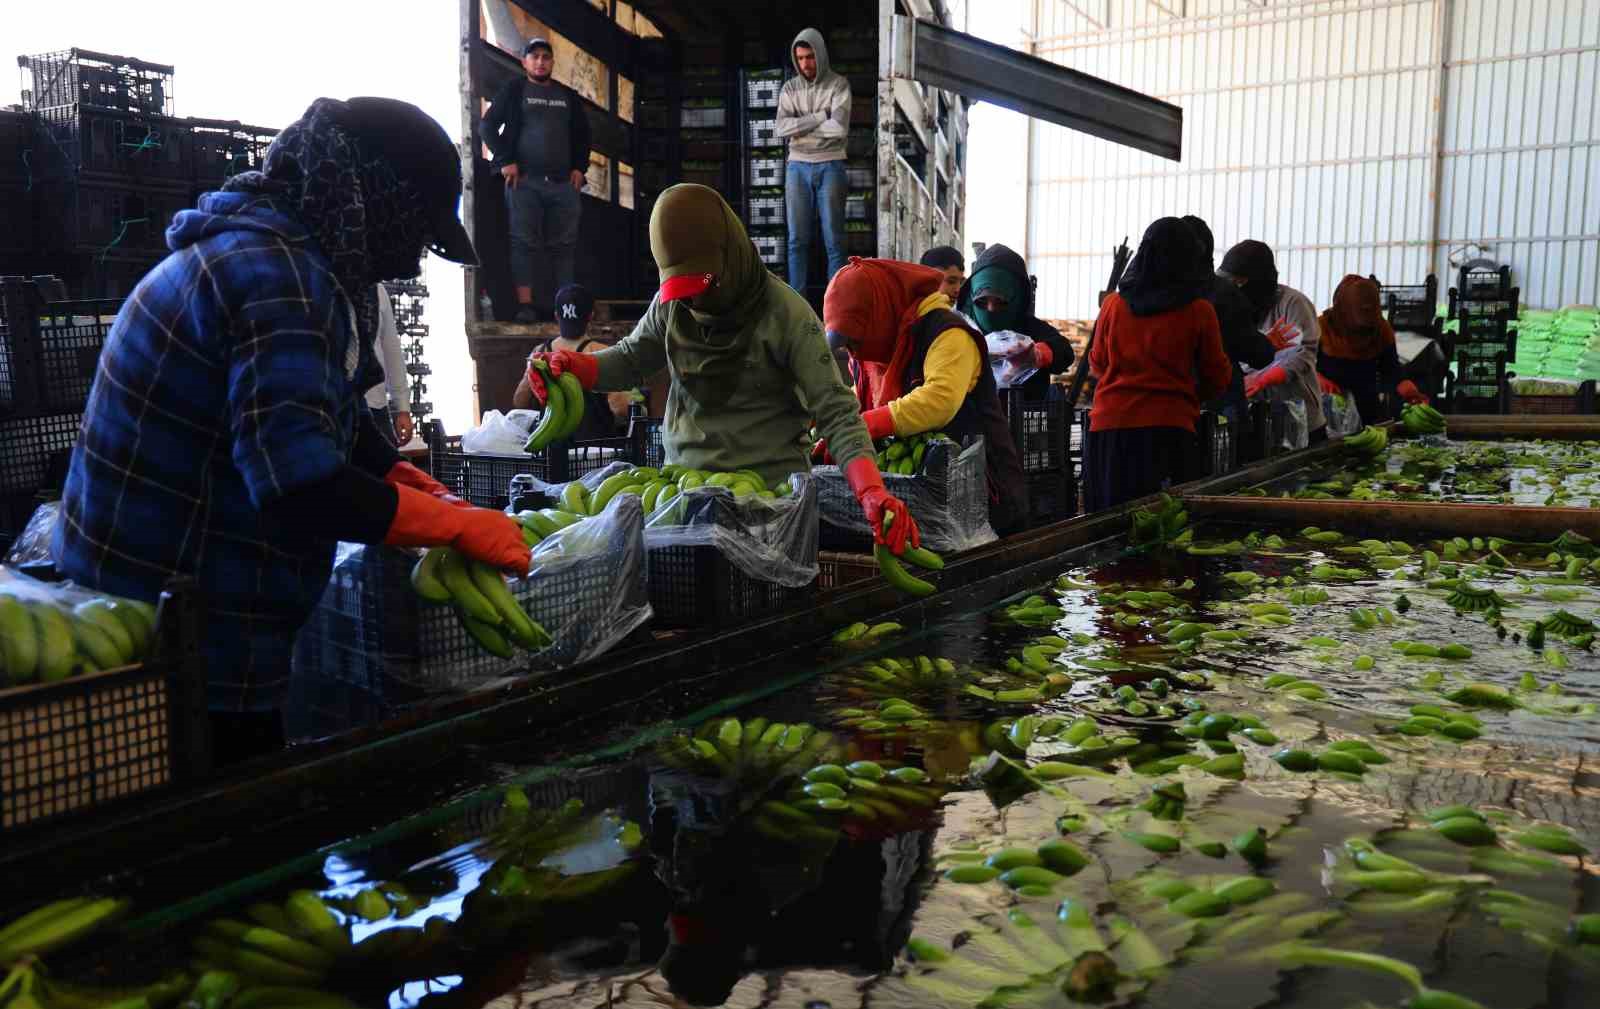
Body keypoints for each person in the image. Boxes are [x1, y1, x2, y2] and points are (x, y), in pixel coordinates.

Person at [52, 97, 528, 766]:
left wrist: (386, 465)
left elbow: (307, 396)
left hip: (164, 617)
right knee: (229, 841)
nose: (415, 264)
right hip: (175, 651)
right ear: (374, 199)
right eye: (417, 233)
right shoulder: (283, 281)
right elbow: (297, 485)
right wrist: (452, 526)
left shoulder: (272, 249)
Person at [521, 183, 920, 555]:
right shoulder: (672, 304)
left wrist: (871, 491)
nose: (693, 302)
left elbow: (837, 414)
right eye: (682, 290)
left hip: (767, 507)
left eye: (702, 285)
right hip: (681, 498)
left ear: (729, 257)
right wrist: (576, 367)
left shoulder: (787, 316)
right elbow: (630, 361)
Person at [824, 258, 1030, 537]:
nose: (852, 351)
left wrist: (861, 426)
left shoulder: (949, 334)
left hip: (980, 501)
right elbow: (859, 396)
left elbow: (938, 400)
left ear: (881, 312)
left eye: (854, 341)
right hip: (921, 503)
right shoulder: (872, 352)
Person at [1085, 218, 1232, 511]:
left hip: (1110, 433)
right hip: (1169, 433)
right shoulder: (1200, 312)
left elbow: (1098, 364)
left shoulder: (1113, 305)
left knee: (1106, 529)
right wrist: (1183, 395)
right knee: (1163, 530)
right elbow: (1216, 377)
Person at [481, 37, 592, 323]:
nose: (540, 61)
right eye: (535, 57)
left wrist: (580, 167)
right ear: (525, 62)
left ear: (552, 62)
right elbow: (487, 125)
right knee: (522, 242)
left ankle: (565, 308)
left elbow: (583, 134)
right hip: (524, 183)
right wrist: (505, 160)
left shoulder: (566, 96)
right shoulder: (515, 90)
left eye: (546, 57)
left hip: (562, 184)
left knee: (564, 246)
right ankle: (525, 306)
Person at [1218, 239, 1328, 445]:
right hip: (1253, 418)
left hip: (1301, 418)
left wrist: (1263, 378)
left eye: (1239, 282)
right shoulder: (1229, 307)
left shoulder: (1293, 303)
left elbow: (1302, 354)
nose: (1233, 289)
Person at [775, 29, 850, 297]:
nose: (805, 64)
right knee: (796, 240)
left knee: (834, 240)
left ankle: (836, 304)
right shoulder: (790, 88)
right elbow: (781, 129)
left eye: (810, 57)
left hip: (831, 165)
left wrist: (801, 127)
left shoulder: (839, 85)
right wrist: (820, 115)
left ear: (820, 54)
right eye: (800, 58)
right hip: (797, 167)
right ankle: (798, 304)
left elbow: (838, 129)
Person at [1182, 217, 1277, 418]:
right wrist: (1268, 344)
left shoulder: (1128, 300)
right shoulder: (1222, 295)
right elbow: (1256, 353)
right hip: (1216, 408)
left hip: (1151, 410)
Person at [512, 283, 633, 438]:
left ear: (556, 315)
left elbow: (520, 401)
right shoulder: (600, 352)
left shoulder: (540, 353)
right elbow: (621, 407)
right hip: (594, 452)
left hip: (551, 448)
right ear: (591, 316)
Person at [956, 244, 1074, 402]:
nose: (991, 310)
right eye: (982, 302)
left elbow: (1064, 351)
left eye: (1000, 302)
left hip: (1023, 421)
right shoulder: (960, 331)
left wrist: (1037, 355)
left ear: (1017, 298)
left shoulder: (1030, 329)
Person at [1317, 274, 1429, 424]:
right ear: (1343, 311)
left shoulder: (1381, 329)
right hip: (1324, 412)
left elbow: (1391, 371)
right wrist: (1317, 378)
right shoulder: (1321, 328)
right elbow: (1299, 366)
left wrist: (1410, 392)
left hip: (1366, 412)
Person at [368, 283, 414, 446]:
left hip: (374, 404)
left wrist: (403, 408)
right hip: (335, 407)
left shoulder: (377, 291)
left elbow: (391, 351)